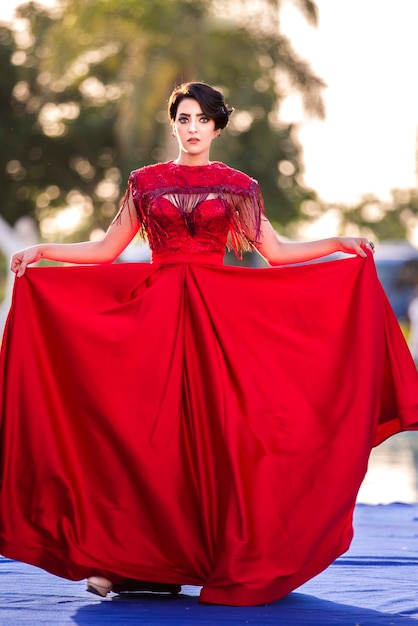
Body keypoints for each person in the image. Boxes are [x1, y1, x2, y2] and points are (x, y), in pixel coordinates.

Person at [1, 82, 417, 607]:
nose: (192, 127)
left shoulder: (238, 185)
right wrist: (43, 250)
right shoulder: (144, 182)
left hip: (217, 320)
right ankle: (129, 562)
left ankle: (204, 557)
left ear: (218, 127)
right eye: (183, 118)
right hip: (153, 319)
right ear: (173, 123)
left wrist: (338, 244)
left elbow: (276, 250)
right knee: (146, 439)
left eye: (202, 119)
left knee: (222, 441)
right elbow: (107, 250)